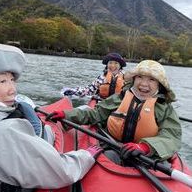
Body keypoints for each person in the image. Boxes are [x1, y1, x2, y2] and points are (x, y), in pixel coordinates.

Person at [0, 43, 102, 192]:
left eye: (12, 80)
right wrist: (87, 155)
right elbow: (61, 172)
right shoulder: (5, 131)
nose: (13, 89)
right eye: (2, 81)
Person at [47, 60, 182, 162]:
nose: (144, 84)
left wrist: (145, 148)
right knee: (107, 157)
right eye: (140, 77)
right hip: (113, 146)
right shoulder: (120, 98)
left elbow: (171, 137)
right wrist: (67, 114)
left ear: (160, 85)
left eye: (152, 80)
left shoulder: (164, 108)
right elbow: (95, 114)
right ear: (133, 79)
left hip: (146, 155)